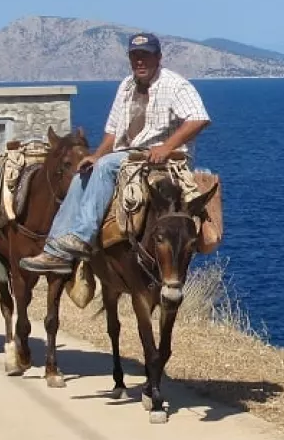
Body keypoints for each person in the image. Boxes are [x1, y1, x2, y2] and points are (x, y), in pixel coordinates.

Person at [19, 33, 211, 274]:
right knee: (84, 173)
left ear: (158, 57)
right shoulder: (126, 86)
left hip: (160, 157)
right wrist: (96, 155)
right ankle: (56, 252)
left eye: (146, 56)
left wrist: (166, 147)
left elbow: (199, 119)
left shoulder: (176, 85)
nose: (140, 61)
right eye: (135, 56)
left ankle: (82, 236)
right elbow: (112, 131)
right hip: (127, 154)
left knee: (106, 166)